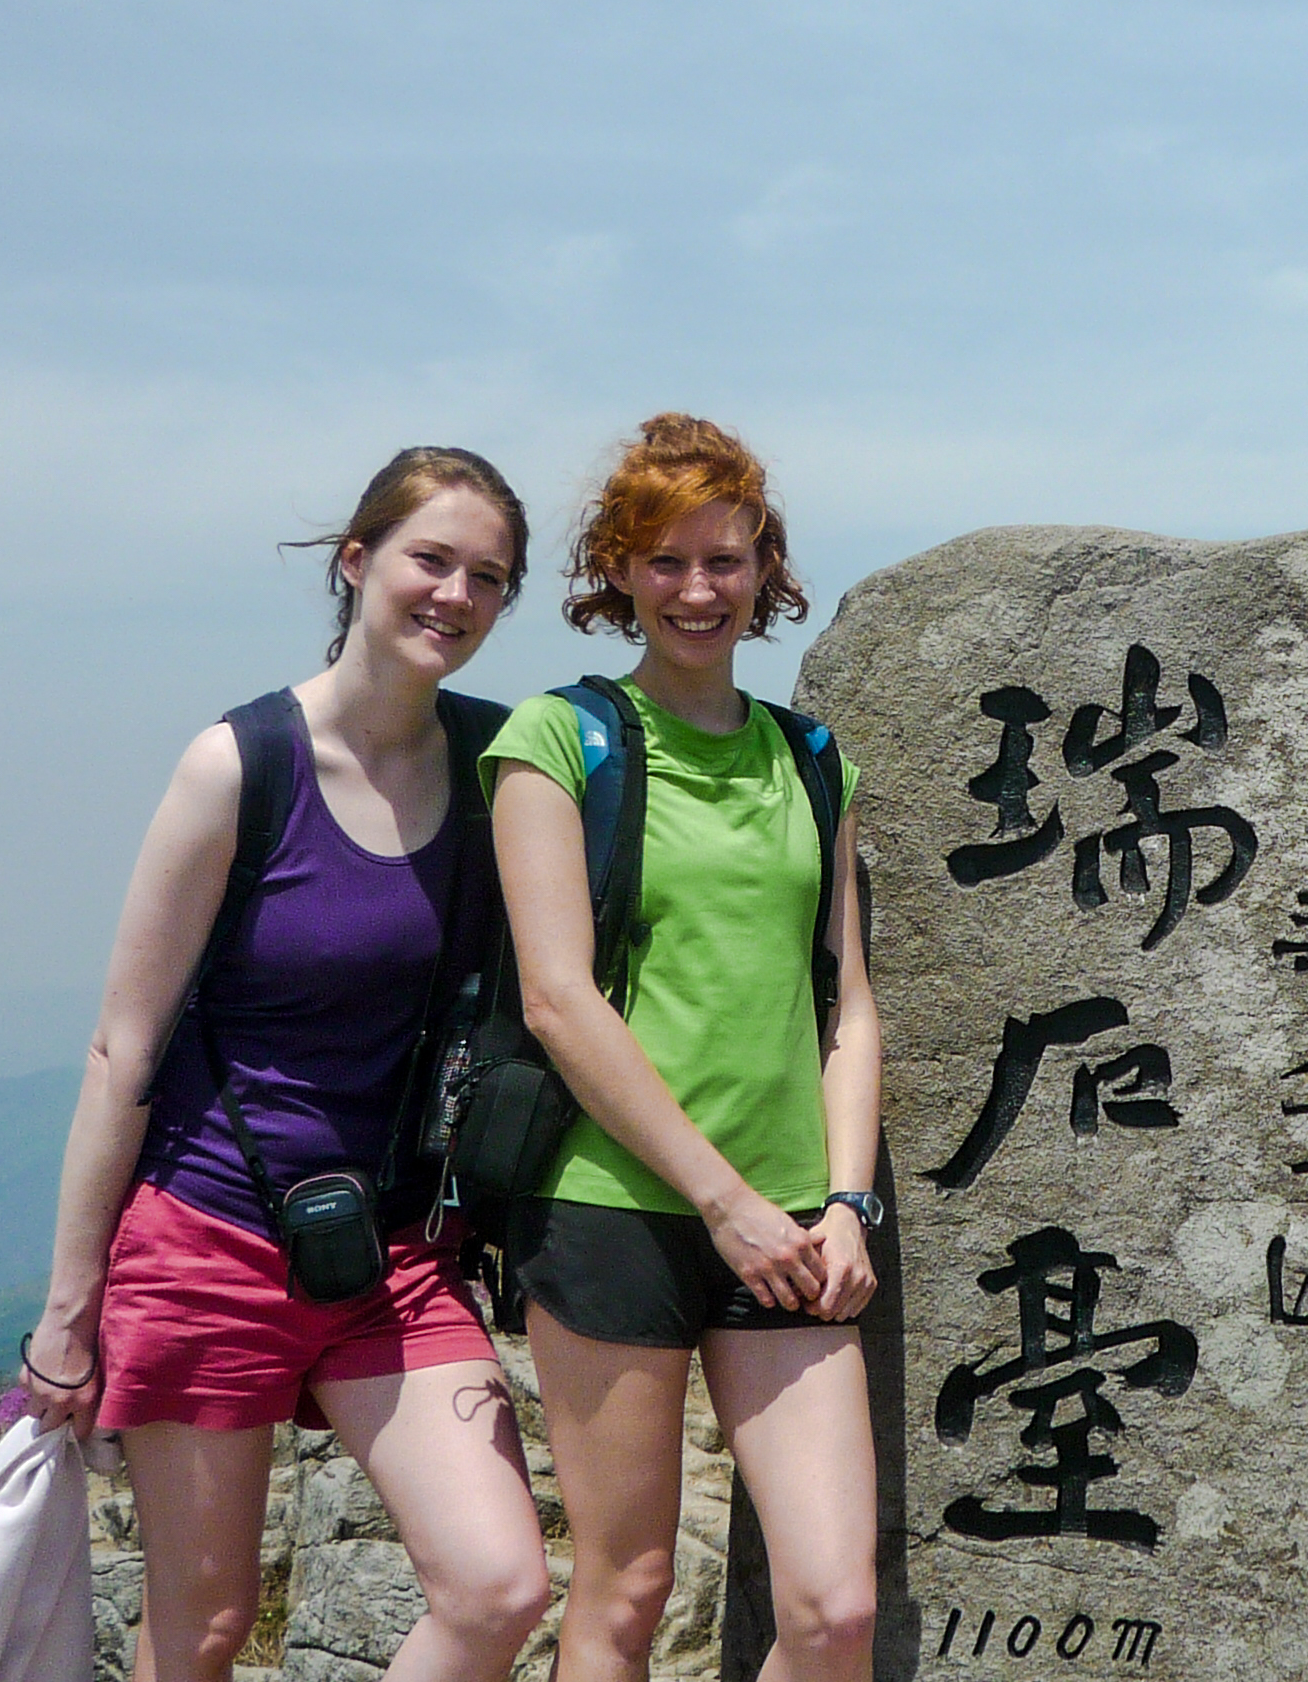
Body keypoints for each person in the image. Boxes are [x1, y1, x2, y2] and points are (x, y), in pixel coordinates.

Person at [20, 448, 554, 1682]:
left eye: (487, 576)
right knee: (201, 1627)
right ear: (356, 560)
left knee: (499, 1585)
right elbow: (123, 1044)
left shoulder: (498, 763)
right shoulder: (240, 764)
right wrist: (68, 1307)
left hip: (393, 1252)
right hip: (208, 1237)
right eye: (430, 559)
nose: (456, 595)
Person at [484, 414, 881, 1682]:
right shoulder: (557, 740)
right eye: (664, 560)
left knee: (834, 1610)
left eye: (724, 559)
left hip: (792, 1216)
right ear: (617, 570)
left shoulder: (809, 758)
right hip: (611, 1203)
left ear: (766, 567)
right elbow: (558, 1000)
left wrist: (847, 1200)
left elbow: (846, 1003)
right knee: (627, 1587)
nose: (697, 589)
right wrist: (722, 1201)